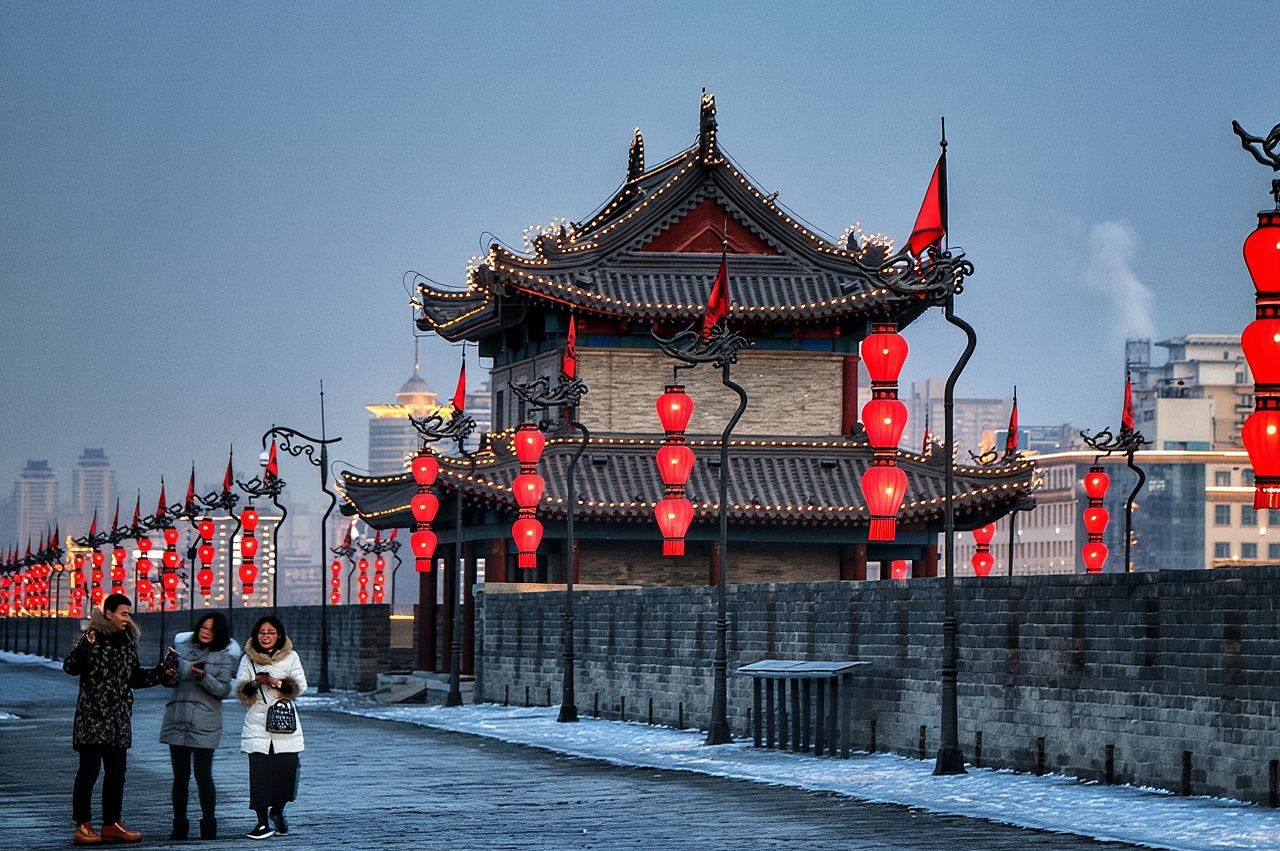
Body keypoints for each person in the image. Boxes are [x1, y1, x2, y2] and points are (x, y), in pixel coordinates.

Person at [63, 593, 177, 846]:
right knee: (88, 773)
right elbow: (70, 667)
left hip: (118, 720)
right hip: (92, 719)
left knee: (117, 774)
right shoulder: (92, 637)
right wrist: (85, 647)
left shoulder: (127, 641)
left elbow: (134, 678)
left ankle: (111, 824)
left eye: (128, 614)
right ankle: (82, 825)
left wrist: (162, 672)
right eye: (123, 613)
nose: (127, 618)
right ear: (108, 614)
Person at [159, 612, 240, 840]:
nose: (205, 632)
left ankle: (209, 825)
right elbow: (170, 681)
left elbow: (223, 689)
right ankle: (179, 826)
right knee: (180, 778)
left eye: (211, 629)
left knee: (203, 776)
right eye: (203, 627)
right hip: (178, 717)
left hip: (205, 721)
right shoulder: (183, 648)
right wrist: (170, 671)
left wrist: (202, 676)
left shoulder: (224, 656)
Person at [234, 615, 306, 840]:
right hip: (258, 725)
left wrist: (277, 683)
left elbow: (301, 686)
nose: (266, 636)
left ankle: (277, 811)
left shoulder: (291, 657)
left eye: (271, 632)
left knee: (287, 774)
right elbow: (240, 690)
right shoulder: (248, 659)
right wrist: (256, 682)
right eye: (262, 632)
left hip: (285, 724)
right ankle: (262, 823)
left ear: (279, 635)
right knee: (260, 778)